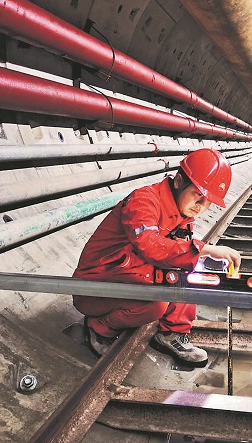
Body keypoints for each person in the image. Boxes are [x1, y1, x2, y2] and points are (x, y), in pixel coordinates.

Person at [72, 148, 241, 367]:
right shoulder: (144, 201)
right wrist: (204, 249)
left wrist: (197, 255)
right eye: (198, 196)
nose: (201, 206)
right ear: (178, 182)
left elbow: (178, 256)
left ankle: (172, 333)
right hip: (95, 288)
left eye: (209, 202)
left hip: (127, 275)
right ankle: (99, 326)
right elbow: (149, 245)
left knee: (186, 274)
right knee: (156, 304)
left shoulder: (182, 215)